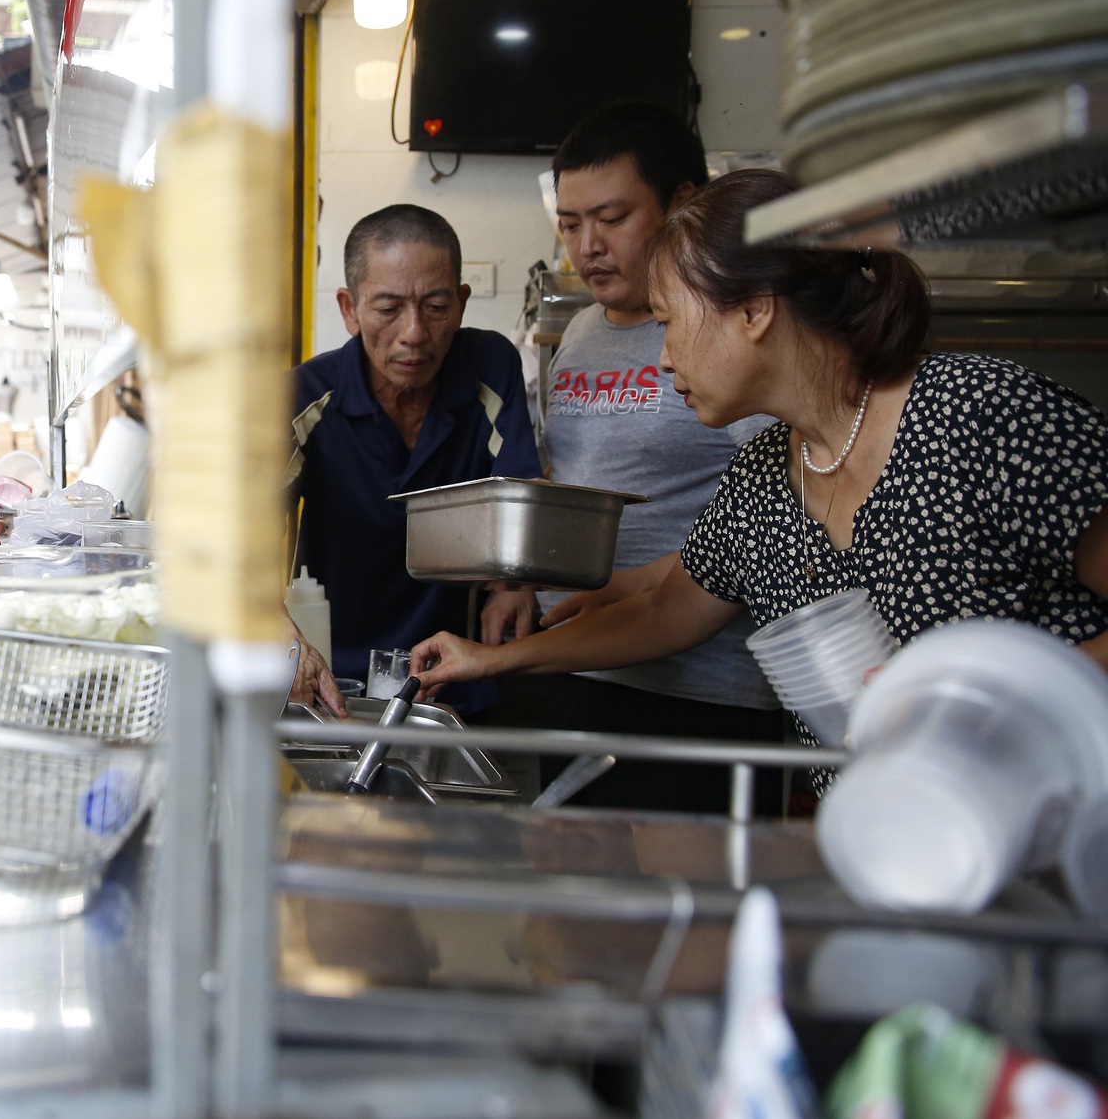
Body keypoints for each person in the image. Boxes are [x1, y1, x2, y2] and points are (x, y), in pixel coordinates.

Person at [413, 170, 1108, 739]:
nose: (664, 355)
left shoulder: (978, 416)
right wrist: (492, 660)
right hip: (907, 846)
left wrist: (1010, 710)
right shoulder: (765, 478)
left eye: (670, 323)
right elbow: (663, 616)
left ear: (753, 311)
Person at [487, 103, 783, 814]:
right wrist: (522, 576)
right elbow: (574, 480)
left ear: (683, 205)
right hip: (580, 666)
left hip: (703, 690)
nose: (586, 246)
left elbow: (775, 513)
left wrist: (636, 586)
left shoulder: (733, 338)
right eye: (569, 223)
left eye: (611, 219)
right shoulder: (582, 332)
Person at [289, 204, 541, 716]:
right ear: (349, 309)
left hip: (458, 682)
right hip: (332, 684)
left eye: (435, 306)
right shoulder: (307, 397)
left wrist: (514, 584)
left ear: (462, 303)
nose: (414, 334)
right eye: (387, 308)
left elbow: (520, 497)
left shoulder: (490, 370)